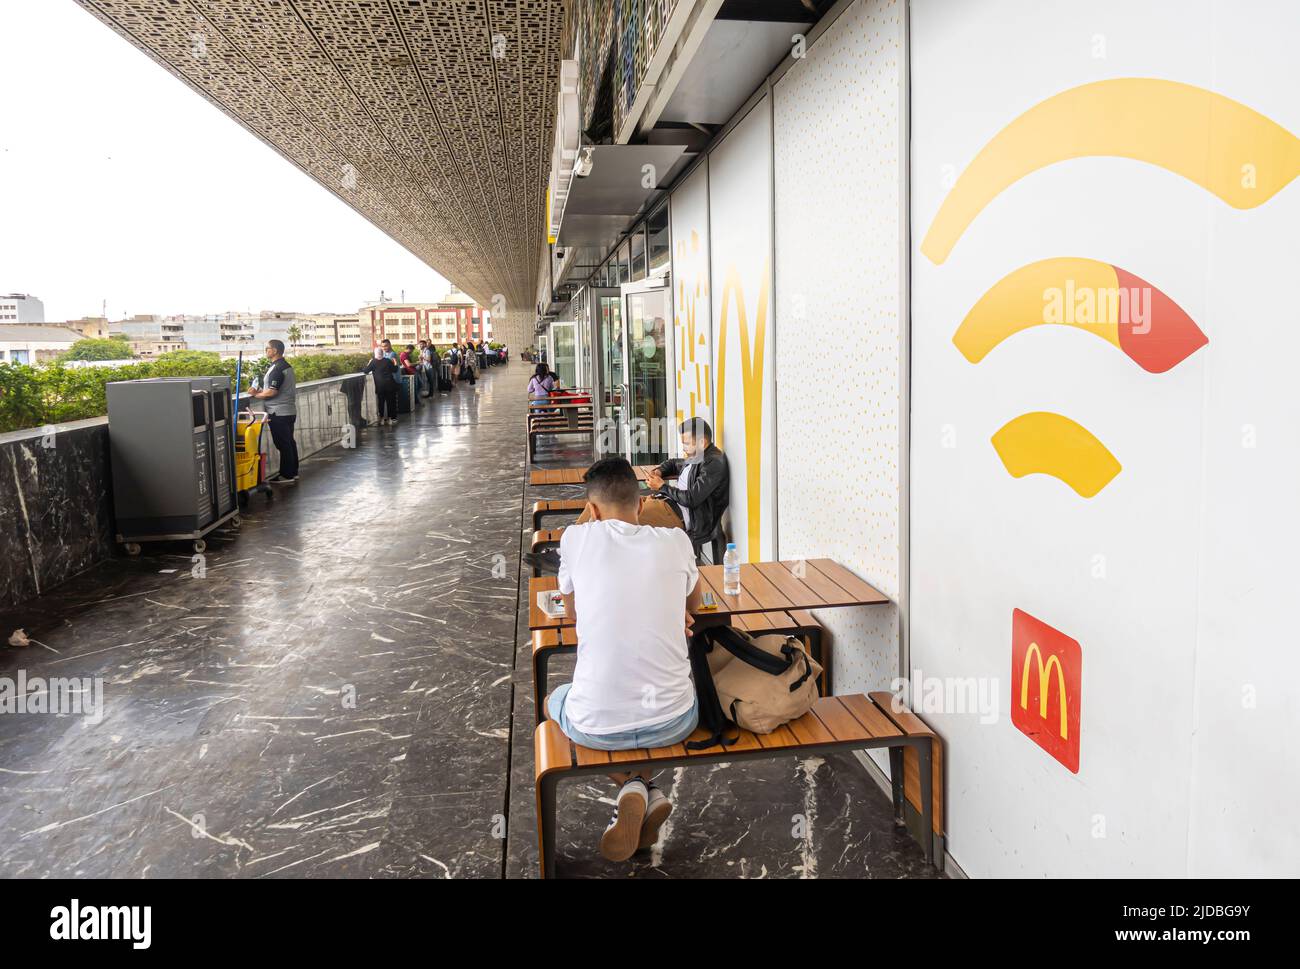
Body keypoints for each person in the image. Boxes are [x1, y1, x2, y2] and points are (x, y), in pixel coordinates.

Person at [550, 457, 701, 862]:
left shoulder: (575, 539)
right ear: (639, 504)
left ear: (593, 511)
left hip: (597, 725)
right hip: (675, 718)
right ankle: (642, 791)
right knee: (663, 699)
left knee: (555, 701)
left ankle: (631, 788)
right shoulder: (675, 542)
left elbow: (573, 613)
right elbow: (696, 606)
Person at [645, 418, 730, 560]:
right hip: (667, 505)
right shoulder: (697, 456)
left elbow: (692, 498)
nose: (683, 447)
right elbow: (673, 463)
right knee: (625, 507)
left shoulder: (712, 462)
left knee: (628, 519)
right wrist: (659, 471)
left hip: (679, 515)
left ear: (702, 442)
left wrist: (662, 486)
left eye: (686, 443)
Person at [251, 339, 299, 484]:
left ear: (275, 351)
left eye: (267, 348)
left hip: (278, 412)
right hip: (288, 410)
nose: (266, 351)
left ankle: (287, 475)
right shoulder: (285, 366)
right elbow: (275, 389)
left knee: (283, 444)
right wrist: (260, 391)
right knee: (289, 442)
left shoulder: (277, 368)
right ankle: (293, 472)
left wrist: (255, 395)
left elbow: (272, 392)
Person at [363, 346, 400, 426]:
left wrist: (369, 363)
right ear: (382, 353)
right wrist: (395, 362)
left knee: (381, 402)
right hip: (390, 385)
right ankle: (390, 419)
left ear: (375, 353)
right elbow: (395, 369)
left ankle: (382, 419)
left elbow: (365, 371)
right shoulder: (387, 361)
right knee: (391, 402)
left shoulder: (373, 362)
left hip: (380, 386)